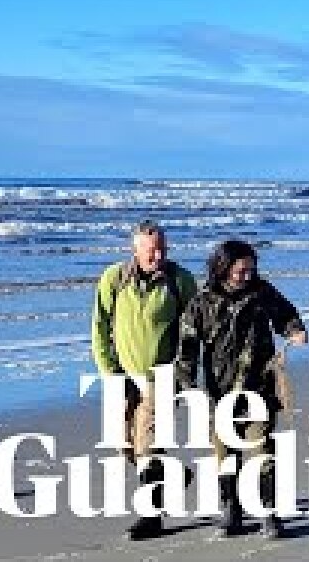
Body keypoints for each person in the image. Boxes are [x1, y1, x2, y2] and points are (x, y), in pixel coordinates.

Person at [176, 239, 307, 540]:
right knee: (225, 454)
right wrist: (185, 384)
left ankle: (268, 513)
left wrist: (295, 330)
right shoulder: (202, 302)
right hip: (219, 393)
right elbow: (187, 346)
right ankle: (231, 509)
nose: (248, 275)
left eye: (252, 269)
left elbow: (285, 315)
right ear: (223, 268)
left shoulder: (262, 293)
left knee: (262, 450)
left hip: (259, 386)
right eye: (241, 271)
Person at [91, 219, 198, 541]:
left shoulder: (180, 281)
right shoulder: (114, 278)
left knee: (148, 447)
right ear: (134, 249)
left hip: (162, 377)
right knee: (127, 447)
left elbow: (194, 330)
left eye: (163, 249)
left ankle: (151, 518)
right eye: (152, 250)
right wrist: (110, 371)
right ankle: (177, 476)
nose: (158, 255)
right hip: (122, 376)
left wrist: (183, 372)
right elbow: (100, 326)